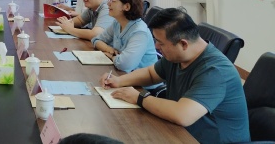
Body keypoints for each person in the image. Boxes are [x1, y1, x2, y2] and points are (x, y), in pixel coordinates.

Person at [101, 8, 250, 143]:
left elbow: (182, 115)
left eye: (160, 43)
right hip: (181, 132)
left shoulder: (215, 71)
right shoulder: (177, 56)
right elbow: (151, 73)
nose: (156, 47)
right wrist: (119, 80)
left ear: (183, 44)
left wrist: (140, 98)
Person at [91, 0, 158, 74]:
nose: (108, 4)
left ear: (126, 7)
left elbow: (125, 64)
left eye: (113, 1)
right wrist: (108, 49)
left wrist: (112, 56)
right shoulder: (117, 23)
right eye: (109, 0)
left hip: (142, 81)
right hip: (123, 74)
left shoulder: (139, 32)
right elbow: (96, 40)